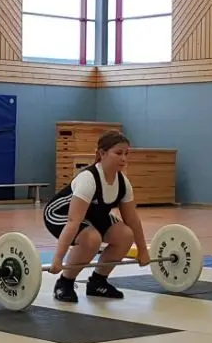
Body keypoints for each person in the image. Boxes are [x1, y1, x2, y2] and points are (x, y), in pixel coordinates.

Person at [43, 130, 152, 303]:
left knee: (125, 235)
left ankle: (98, 282)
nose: (124, 158)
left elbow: (132, 220)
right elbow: (73, 222)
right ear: (102, 153)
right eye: (118, 153)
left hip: (93, 216)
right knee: (91, 239)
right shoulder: (89, 179)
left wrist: (143, 251)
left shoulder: (123, 183)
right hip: (59, 215)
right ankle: (65, 283)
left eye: (126, 154)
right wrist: (58, 259)